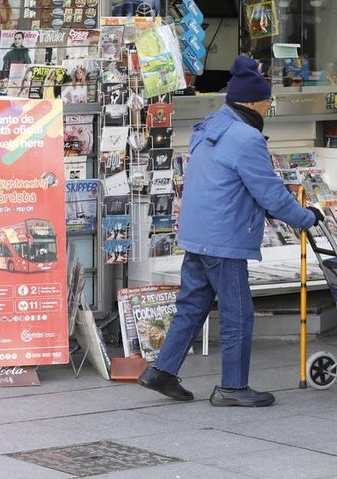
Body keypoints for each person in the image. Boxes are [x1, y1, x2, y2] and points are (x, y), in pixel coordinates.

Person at [137, 55, 322, 408]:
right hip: (224, 239)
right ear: (254, 102)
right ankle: (232, 388)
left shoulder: (211, 126)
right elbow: (269, 193)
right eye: (269, 100)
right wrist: (305, 217)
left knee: (193, 304)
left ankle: (161, 371)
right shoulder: (246, 138)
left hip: (197, 232)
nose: (270, 106)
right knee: (238, 313)